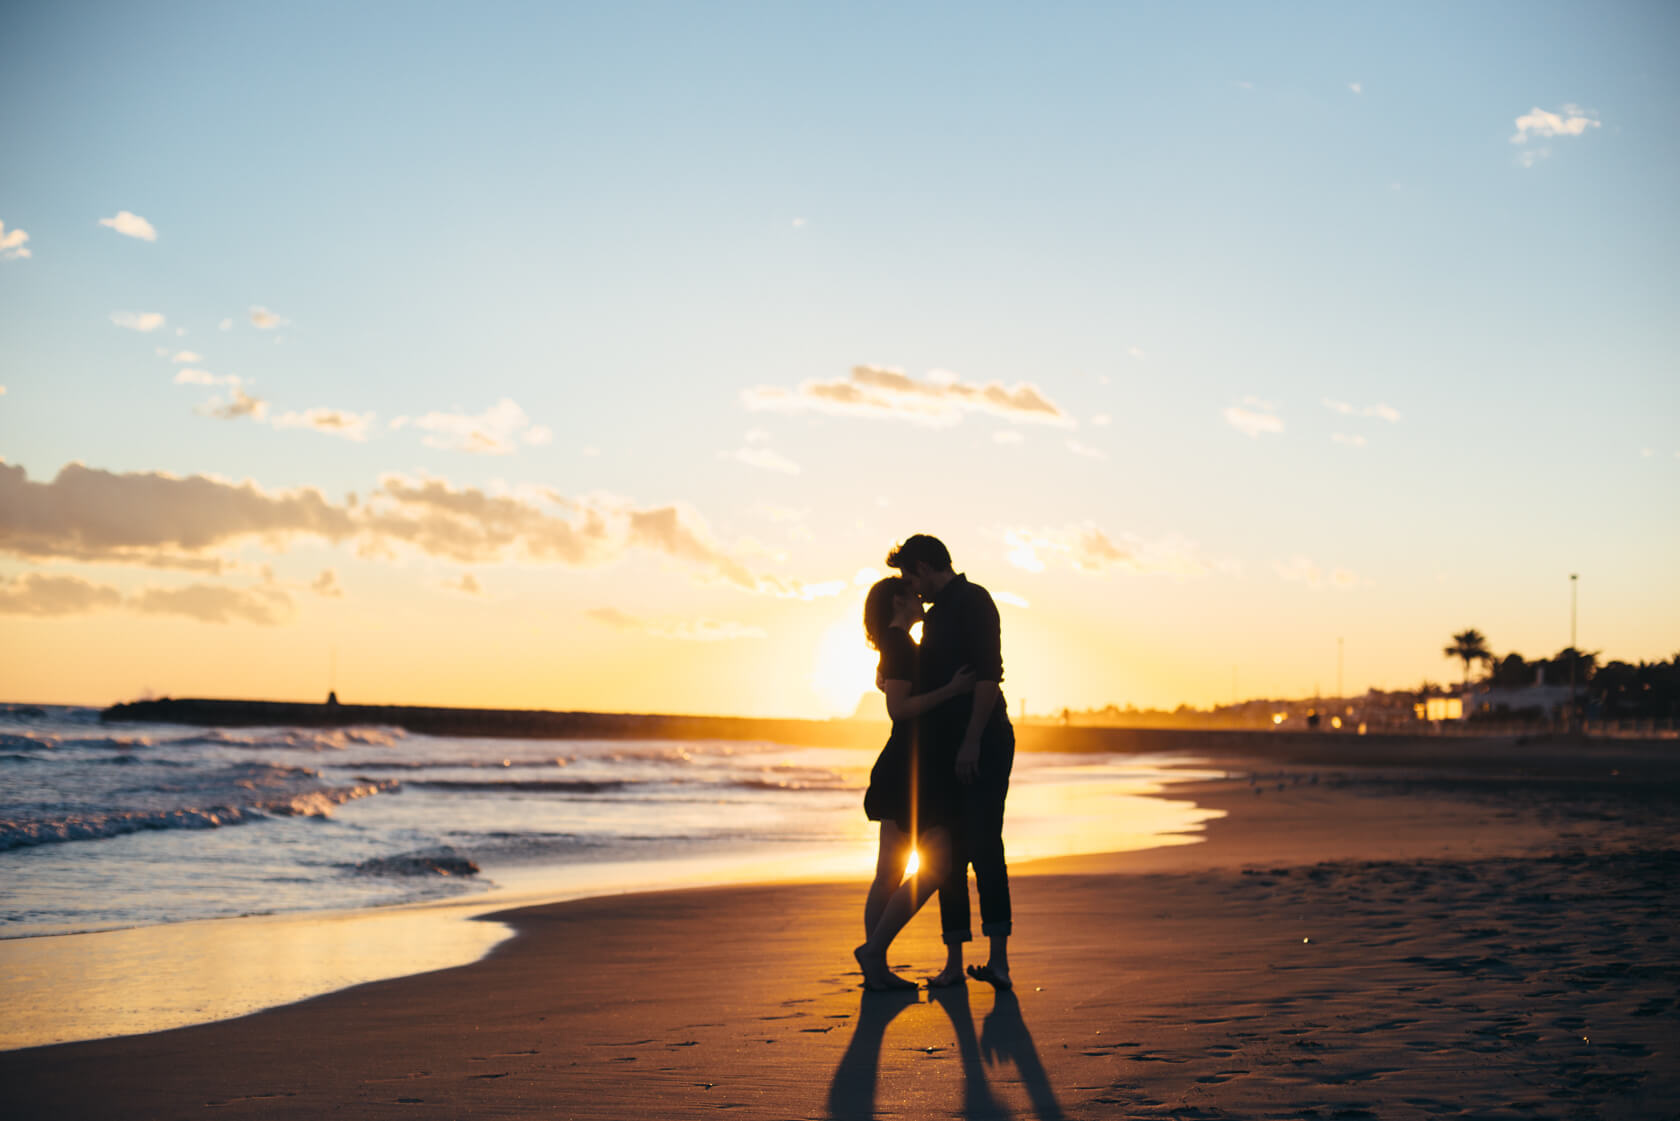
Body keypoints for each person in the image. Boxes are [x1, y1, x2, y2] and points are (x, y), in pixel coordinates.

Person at [887, 534, 1016, 991]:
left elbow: (987, 678)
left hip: (984, 742)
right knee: (948, 854)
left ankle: (998, 960)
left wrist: (972, 743)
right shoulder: (935, 618)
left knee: (984, 844)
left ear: (923, 567)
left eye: (908, 576)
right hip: (949, 749)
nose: (909, 587)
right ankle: (954, 963)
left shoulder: (974, 602)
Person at [853, 575, 975, 991]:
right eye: (913, 594)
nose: (921, 599)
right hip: (913, 769)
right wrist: (952, 689)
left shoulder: (895, 644)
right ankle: (873, 954)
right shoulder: (900, 644)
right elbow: (900, 709)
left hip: (904, 766)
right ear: (899, 600)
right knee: (936, 864)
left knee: (888, 873)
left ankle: (876, 968)